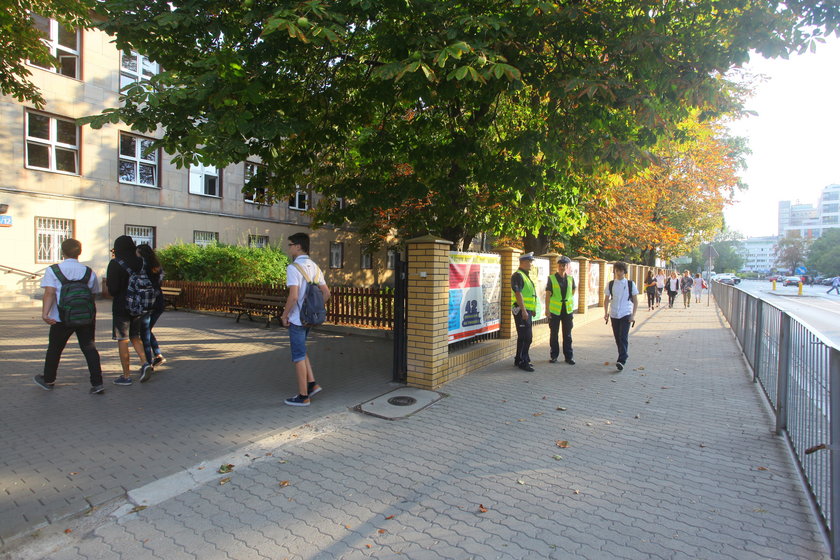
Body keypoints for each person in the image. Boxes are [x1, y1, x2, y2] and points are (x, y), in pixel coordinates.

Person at [34, 238, 104, 394]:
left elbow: (49, 293)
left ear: (62, 252)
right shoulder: (88, 271)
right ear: (79, 252)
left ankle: (48, 380)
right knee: (89, 348)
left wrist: (45, 314)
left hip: (60, 318)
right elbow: (92, 294)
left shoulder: (53, 270)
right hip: (86, 317)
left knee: (55, 349)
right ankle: (97, 383)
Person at [281, 232, 331, 406]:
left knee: (298, 356)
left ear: (298, 246)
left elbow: (293, 297)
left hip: (297, 319)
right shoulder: (316, 267)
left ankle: (303, 397)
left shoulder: (293, 268)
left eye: (290, 245)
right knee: (302, 351)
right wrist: (315, 309)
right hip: (310, 318)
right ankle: (312, 384)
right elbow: (326, 293)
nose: (288, 248)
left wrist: (284, 315)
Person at [107, 235, 155, 386]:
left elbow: (113, 289)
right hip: (138, 305)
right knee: (135, 336)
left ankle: (126, 376)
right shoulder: (141, 262)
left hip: (121, 306)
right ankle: (145, 362)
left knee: (123, 339)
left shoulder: (115, 263)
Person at [604, 261, 638, 371]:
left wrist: (633, 315)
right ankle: (623, 354)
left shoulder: (630, 284)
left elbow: (635, 301)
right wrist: (606, 313)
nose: (618, 273)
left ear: (624, 271)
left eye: (621, 271)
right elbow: (606, 300)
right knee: (617, 337)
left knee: (623, 337)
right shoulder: (611, 284)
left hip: (626, 313)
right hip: (614, 314)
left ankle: (621, 360)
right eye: (617, 270)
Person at [136, 244, 166, 367]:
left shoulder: (143, 266)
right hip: (159, 301)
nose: (135, 255)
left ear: (141, 253)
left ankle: (148, 363)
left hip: (149, 303)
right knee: (146, 330)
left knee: (145, 332)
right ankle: (157, 355)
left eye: (137, 252)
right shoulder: (156, 266)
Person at [544, 255, 576, 365]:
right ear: (558, 266)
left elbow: (573, 291)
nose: (562, 267)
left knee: (567, 334)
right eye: (561, 265)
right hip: (555, 311)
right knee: (554, 334)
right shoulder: (551, 278)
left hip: (567, 310)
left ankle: (569, 357)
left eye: (564, 265)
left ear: (567, 266)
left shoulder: (571, 278)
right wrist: (547, 309)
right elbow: (548, 295)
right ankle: (554, 356)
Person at [511, 252, 538, 372]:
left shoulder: (524, 275)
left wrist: (531, 310)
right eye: (529, 262)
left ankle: (519, 358)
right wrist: (523, 310)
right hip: (521, 310)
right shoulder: (518, 275)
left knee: (523, 336)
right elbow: (518, 293)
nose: (531, 264)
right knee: (527, 337)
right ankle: (523, 361)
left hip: (526, 310)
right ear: (523, 262)